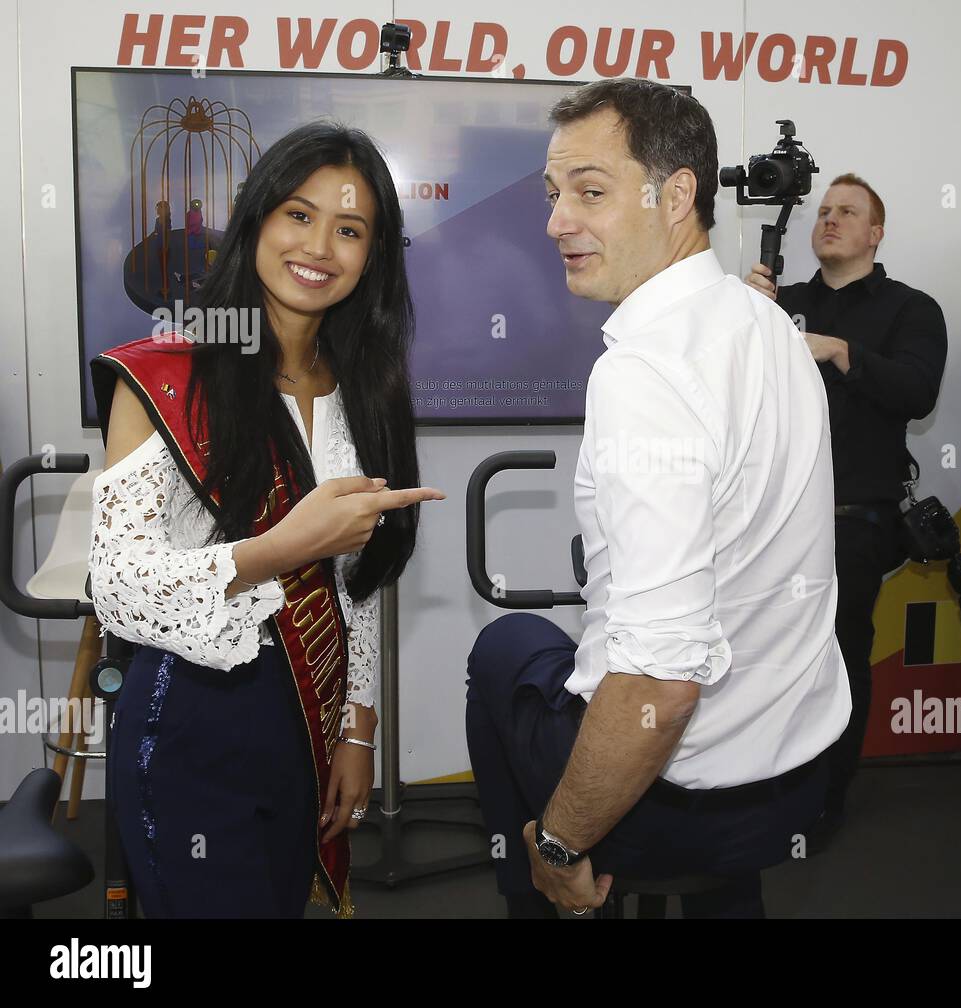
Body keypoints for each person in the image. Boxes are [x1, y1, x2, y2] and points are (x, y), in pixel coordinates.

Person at [464, 77, 850, 919]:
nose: (556, 220)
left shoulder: (644, 371)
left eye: (589, 192)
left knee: (504, 649)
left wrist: (565, 845)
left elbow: (662, 685)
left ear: (677, 196)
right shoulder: (771, 327)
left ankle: (544, 885)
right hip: (795, 782)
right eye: (554, 193)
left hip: (677, 812)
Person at [88, 123, 443, 918]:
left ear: (373, 255)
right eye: (297, 214)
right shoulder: (166, 375)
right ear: (254, 220)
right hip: (188, 718)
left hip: (307, 724)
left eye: (350, 229)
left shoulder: (367, 389)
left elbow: (356, 589)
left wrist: (360, 731)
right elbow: (116, 587)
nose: (320, 245)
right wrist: (278, 551)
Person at [745, 174, 947, 848]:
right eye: (824, 211)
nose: (830, 220)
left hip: (854, 514)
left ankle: (825, 799)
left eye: (848, 212)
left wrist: (837, 350)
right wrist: (743, 320)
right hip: (769, 515)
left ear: (876, 232)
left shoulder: (911, 308)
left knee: (837, 656)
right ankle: (764, 789)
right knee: (766, 656)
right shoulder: (779, 301)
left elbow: (917, 392)